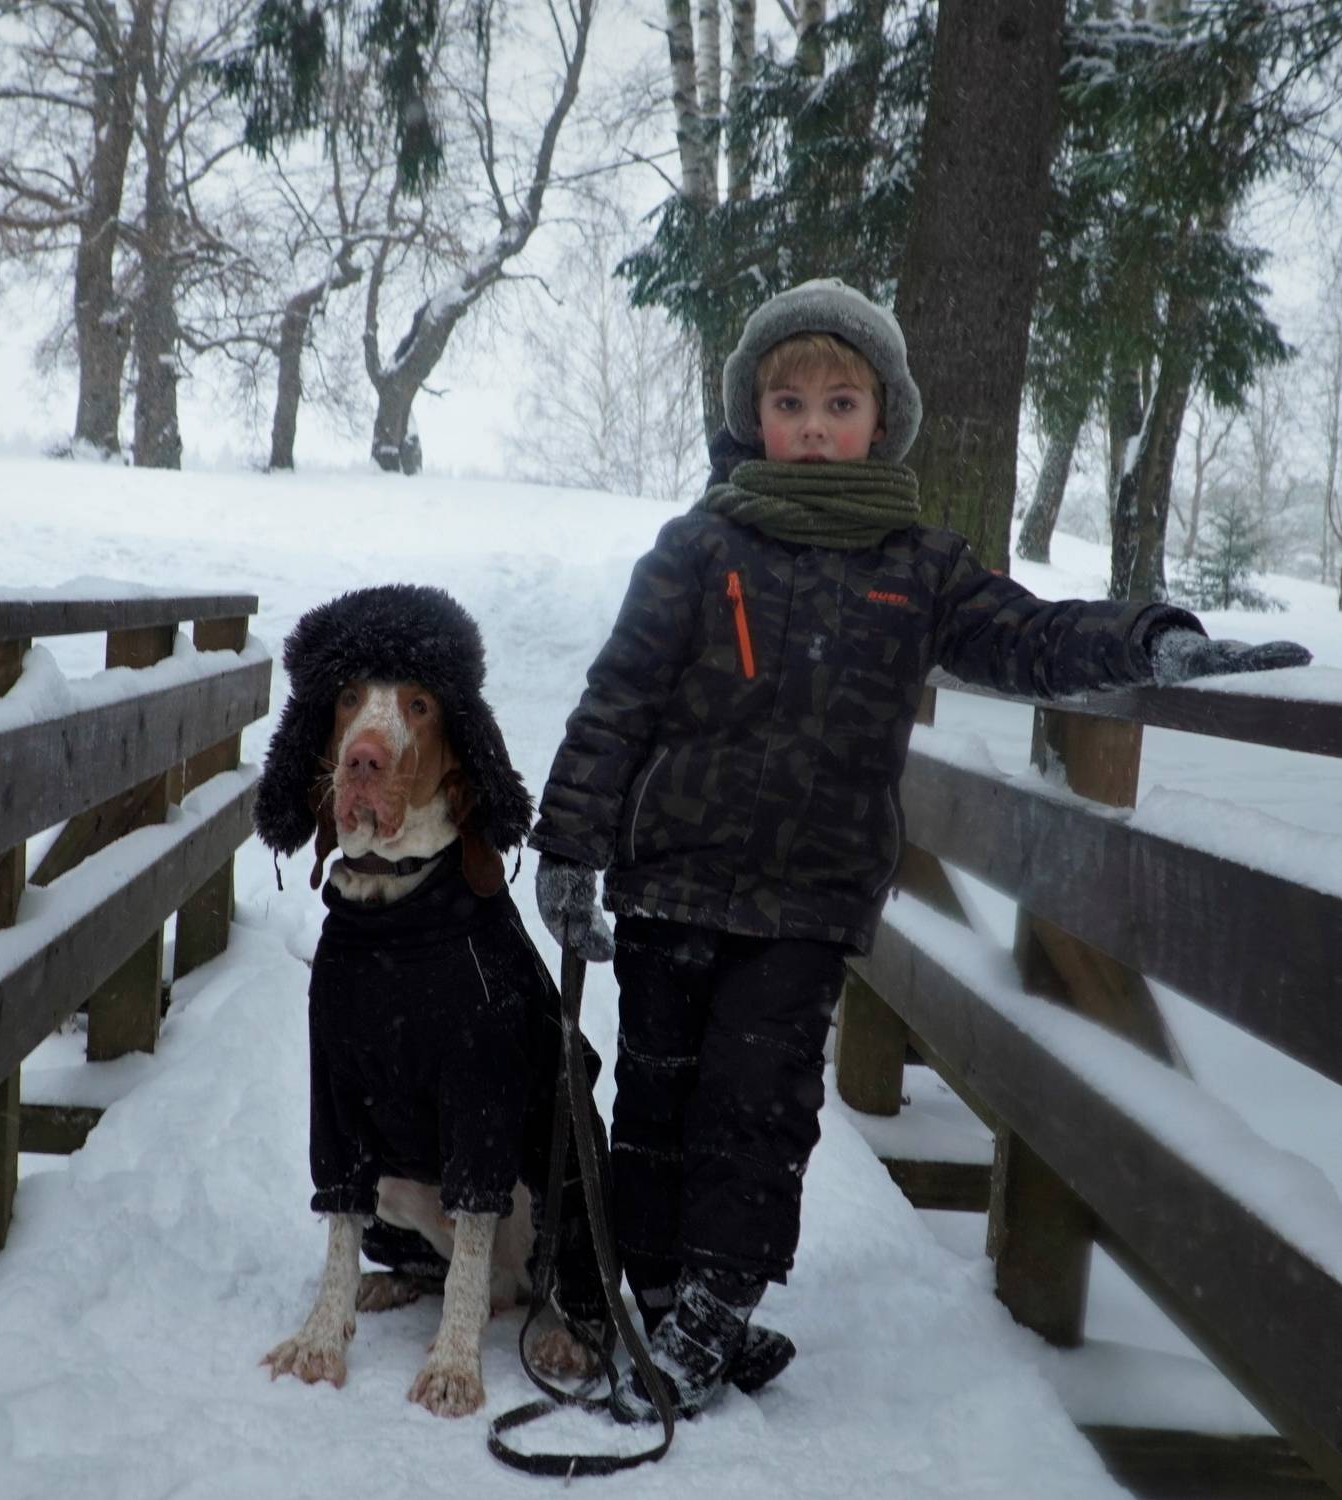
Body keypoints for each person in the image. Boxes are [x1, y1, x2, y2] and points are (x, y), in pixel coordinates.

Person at [527, 278, 1311, 1423]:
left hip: (806, 901)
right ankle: (650, 1289)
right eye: (788, 404)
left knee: (756, 1106)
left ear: (881, 419)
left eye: (838, 404)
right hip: (672, 882)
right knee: (657, 1095)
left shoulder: (919, 566)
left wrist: (1152, 640)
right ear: (754, 416)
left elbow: (1031, 637)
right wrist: (569, 846)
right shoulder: (698, 548)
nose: (812, 427)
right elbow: (617, 702)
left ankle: (715, 1305)